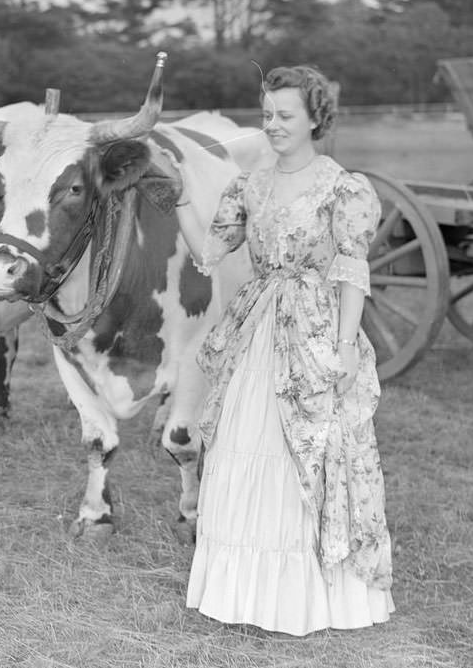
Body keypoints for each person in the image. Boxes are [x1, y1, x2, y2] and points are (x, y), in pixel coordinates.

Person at [176, 65, 394, 636]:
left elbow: (350, 270)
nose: (271, 125)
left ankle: (307, 596)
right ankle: (241, 591)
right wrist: (174, 193)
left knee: (310, 449)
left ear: (315, 118)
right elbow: (212, 245)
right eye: (266, 114)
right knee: (241, 444)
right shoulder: (251, 183)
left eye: (284, 115)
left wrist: (345, 348)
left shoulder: (341, 188)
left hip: (316, 326)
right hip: (257, 328)